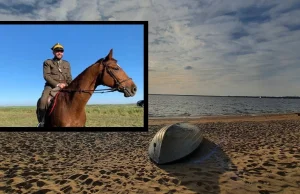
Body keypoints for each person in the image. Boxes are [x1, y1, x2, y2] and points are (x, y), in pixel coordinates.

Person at [37, 43, 73, 127]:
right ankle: (41, 122)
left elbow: (69, 77)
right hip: (51, 85)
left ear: (63, 52)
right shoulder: (48, 62)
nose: (59, 52)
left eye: (61, 51)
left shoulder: (67, 64)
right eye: (57, 51)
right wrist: (57, 84)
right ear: (53, 52)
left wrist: (70, 85)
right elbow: (46, 76)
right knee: (43, 101)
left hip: (65, 85)